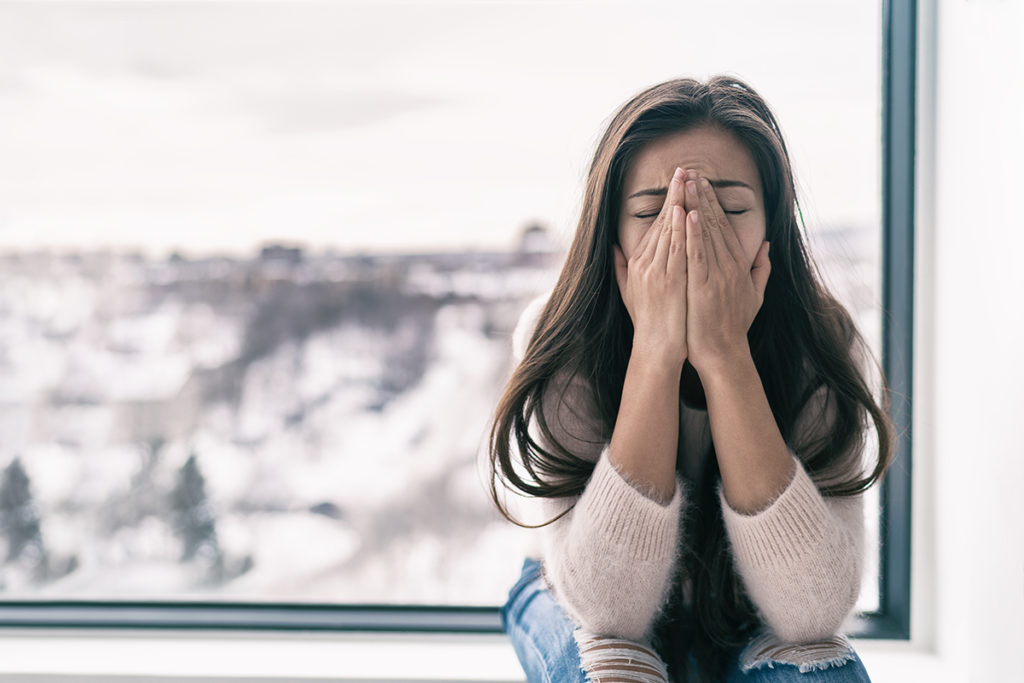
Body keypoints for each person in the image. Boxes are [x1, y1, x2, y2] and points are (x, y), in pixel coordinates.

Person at [486, 75, 894, 683]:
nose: (691, 238)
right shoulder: (561, 335)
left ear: (772, 226)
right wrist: (655, 350)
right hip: (569, 585)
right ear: (612, 235)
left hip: (746, 603)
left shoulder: (822, 340)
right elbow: (608, 609)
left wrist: (726, 354)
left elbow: (812, 612)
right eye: (652, 213)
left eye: (729, 210)